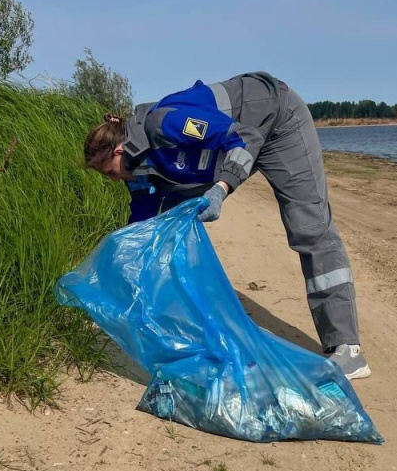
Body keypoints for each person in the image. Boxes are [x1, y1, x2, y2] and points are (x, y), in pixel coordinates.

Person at [83, 71, 370, 380]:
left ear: (119, 151)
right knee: (170, 223)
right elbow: (142, 229)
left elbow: (244, 138)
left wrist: (221, 189)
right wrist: (115, 293)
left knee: (308, 227)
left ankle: (347, 348)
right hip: (236, 143)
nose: (113, 180)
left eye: (109, 172)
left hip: (277, 121)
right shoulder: (136, 168)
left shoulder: (167, 123)